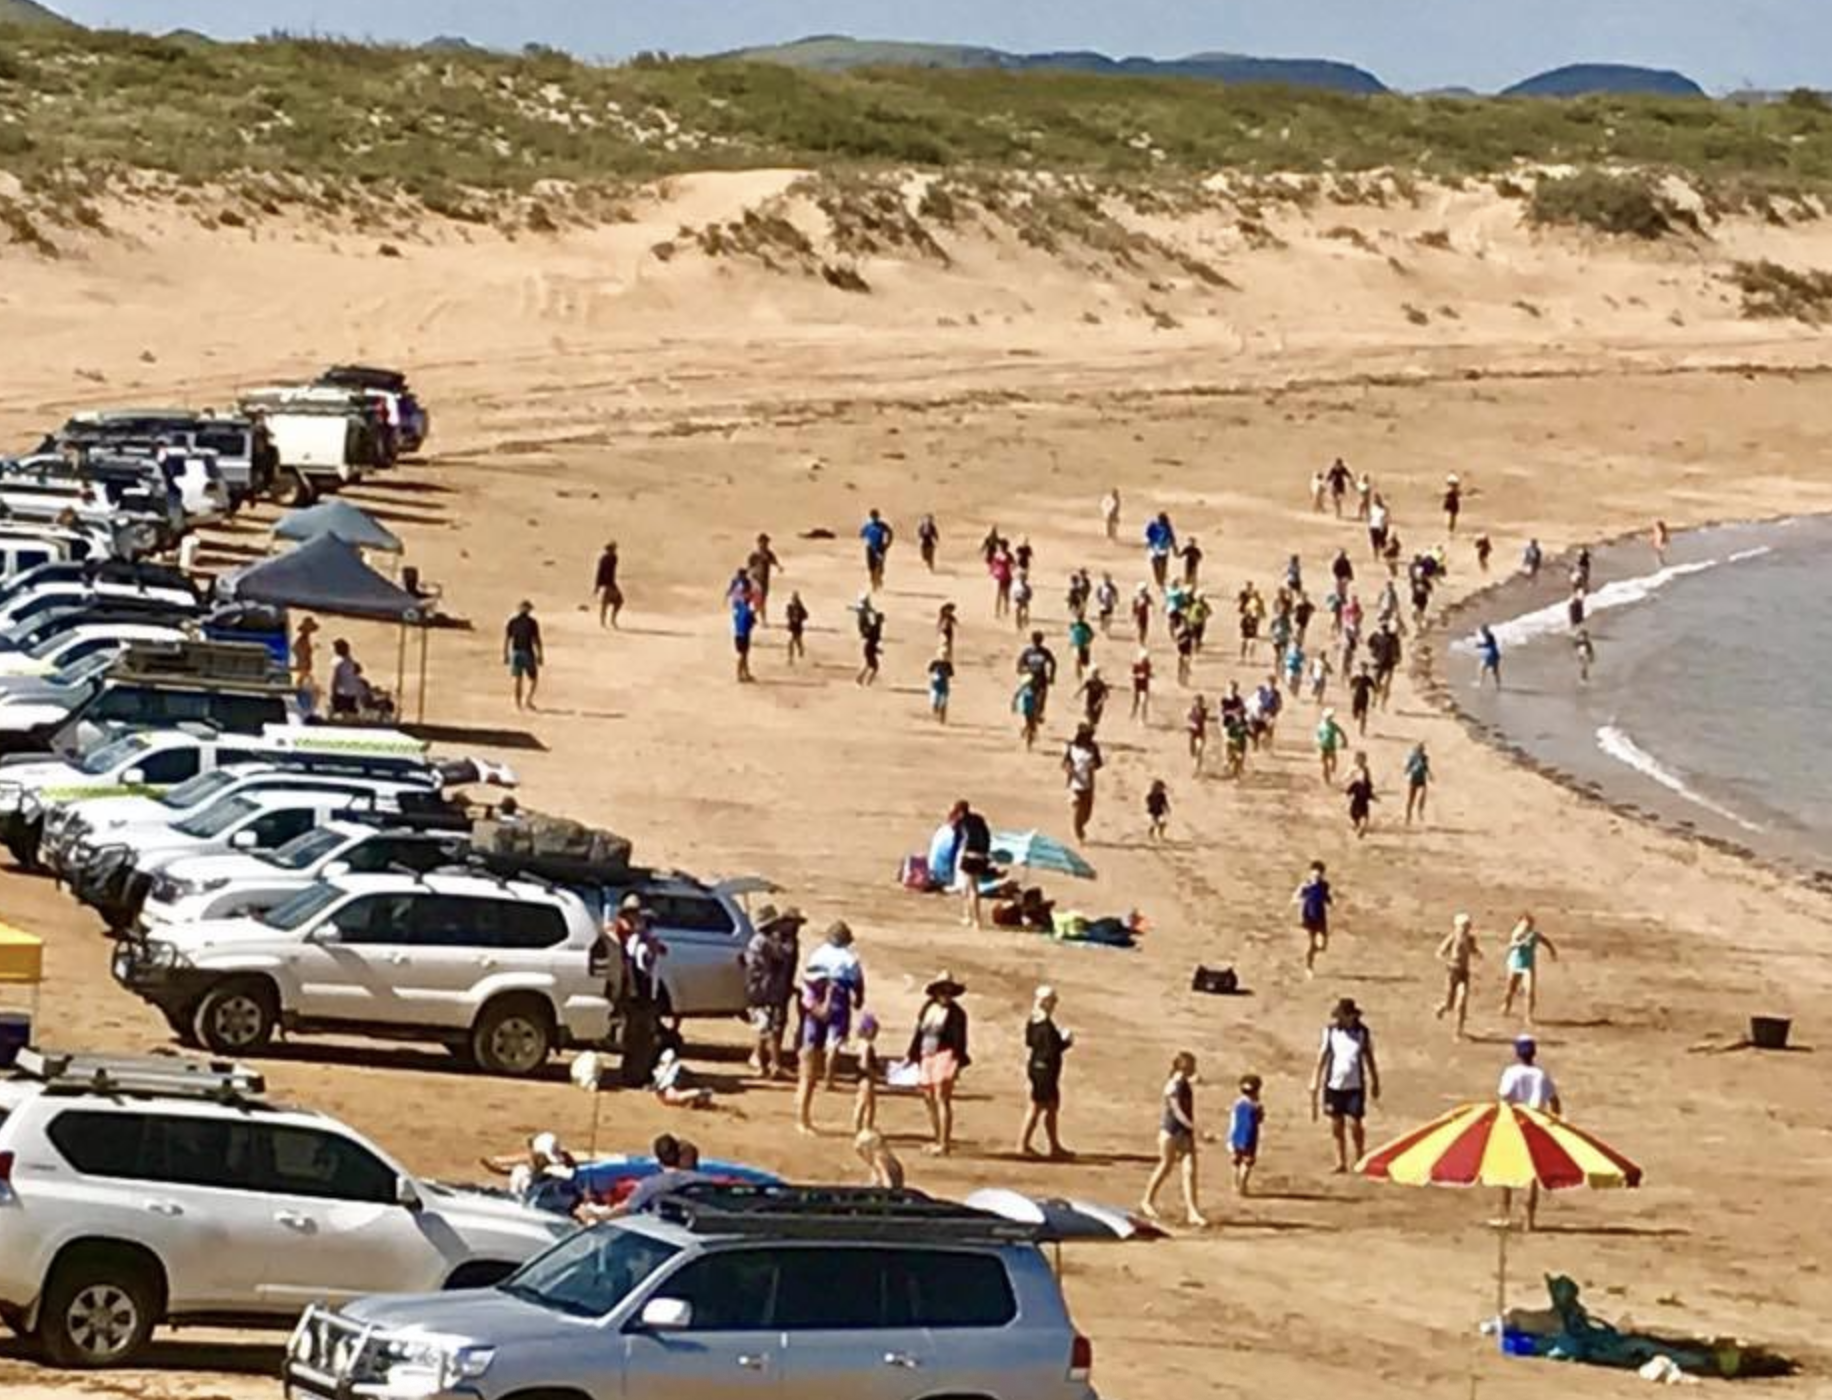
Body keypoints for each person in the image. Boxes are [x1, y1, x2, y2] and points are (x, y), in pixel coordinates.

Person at [1498, 1035, 1562, 1229]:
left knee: (1506, 1171)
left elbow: (1504, 1096)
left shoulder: (1511, 1072)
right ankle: (1529, 1220)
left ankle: (1505, 1215)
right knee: (1532, 1174)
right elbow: (1554, 1102)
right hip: (1536, 1124)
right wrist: (1554, 1122)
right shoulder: (1541, 1075)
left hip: (1514, 1122)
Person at [1310, 997, 1379, 1174]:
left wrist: (1375, 1081)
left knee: (1355, 1123)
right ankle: (1340, 1161)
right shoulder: (1331, 1032)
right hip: (1334, 1084)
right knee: (1336, 1124)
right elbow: (1323, 1057)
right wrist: (1315, 1080)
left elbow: (1368, 1058)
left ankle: (1359, 1157)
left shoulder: (1362, 1033)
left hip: (1355, 1085)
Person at [1141, 1051, 1207, 1228]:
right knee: (1166, 1166)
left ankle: (1192, 1211)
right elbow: (1177, 1112)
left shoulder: (1179, 1082)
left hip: (1182, 1133)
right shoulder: (1174, 1086)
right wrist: (1195, 1129)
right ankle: (1147, 1200)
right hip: (1172, 1132)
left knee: (1190, 1170)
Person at [909, 973, 970, 1156]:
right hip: (928, 1054)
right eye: (943, 991)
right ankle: (938, 1139)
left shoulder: (957, 1014)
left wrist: (957, 1063)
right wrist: (913, 1055)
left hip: (946, 1054)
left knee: (941, 1097)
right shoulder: (928, 1008)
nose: (946, 995)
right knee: (928, 1097)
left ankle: (944, 1143)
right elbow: (919, 1033)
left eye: (949, 991)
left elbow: (960, 1041)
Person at [743, 905, 804, 1079]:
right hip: (766, 990)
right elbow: (782, 956)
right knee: (771, 1027)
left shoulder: (764, 940)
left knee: (767, 1026)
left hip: (769, 988)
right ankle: (773, 1063)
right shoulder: (767, 941)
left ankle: (760, 1060)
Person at [1018, 985, 1072, 1159]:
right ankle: (1023, 1144)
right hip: (1044, 1071)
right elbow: (1050, 1050)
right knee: (1037, 1107)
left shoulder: (1034, 1020)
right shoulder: (1044, 1024)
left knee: (1049, 1107)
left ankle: (1054, 1145)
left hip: (1038, 1067)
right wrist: (1065, 1042)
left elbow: (1030, 1042)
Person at [1500, 913, 1559, 1025]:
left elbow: (1545, 940)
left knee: (1529, 991)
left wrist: (1552, 951)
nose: (1527, 927)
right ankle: (1506, 1005)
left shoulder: (1534, 935)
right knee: (1510, 989)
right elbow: (1511, 945)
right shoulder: (1517, 933)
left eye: (1529, 924)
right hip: (1514, 965)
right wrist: (1522, 943)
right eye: (1525, 924)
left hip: (1528, 966)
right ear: (1520, 923)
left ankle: (1528, 1016)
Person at [1435, 912, 1480, 1040]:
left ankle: (1458, 1031)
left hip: (1464, 973)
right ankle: (1441, 1008)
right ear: (1457, 927)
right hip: (1452, 972)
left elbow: (1473, 949)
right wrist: (1446, 960)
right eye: (1463, 926)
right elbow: (1440, 951)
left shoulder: (1470, 939)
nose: (1465, 929)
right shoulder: (1452, 937)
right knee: (1449, 1004)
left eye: (1467, 926)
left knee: (1462, 1001)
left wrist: (1478, 954)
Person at [953, 800, 993, 929]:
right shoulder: (978, 819)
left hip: (969, 856)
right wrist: (986, 853)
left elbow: (957, 841)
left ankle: (976, 920)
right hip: (981, 856)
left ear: (959, 811)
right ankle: (968, 916)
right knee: (966, 887)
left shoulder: (960, 823)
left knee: (972, 889)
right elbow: (987, 836)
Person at [1063, 724, 1103, 841]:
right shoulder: (1071, 747)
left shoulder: (1094, 747)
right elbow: (1065, 762)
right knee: (1079, 807)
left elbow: (1099, 763)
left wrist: (1093, 765)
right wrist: (1069, 768)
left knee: (1087, 812)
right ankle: (1078, 831)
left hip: (1089, 783)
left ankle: (1080, 826)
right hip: (1075, 782)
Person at [1293, 860, 1332, 976]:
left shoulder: (1324, 885)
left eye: (1319, 875)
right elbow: (1296, 896)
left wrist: (1330, 902)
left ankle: (1312, 952)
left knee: (1323, 945)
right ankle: (1309, 967)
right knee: (1311, 943)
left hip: (1320, 916)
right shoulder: (1306, 885)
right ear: (1310, 873)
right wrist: (1299, 901)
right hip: (1308, 917)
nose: (1316, 877)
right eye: (1314, 874)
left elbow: (1327, 898)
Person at [504, 601, 545, 711]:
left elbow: (507, 639)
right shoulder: (532, 623)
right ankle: (528, 700)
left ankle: (518, 704)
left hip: (516, 652)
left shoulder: (512, 622)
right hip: (527, 652)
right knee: (533, 678)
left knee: (518, 679)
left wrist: (506, 654)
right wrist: (540, 654)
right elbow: (536, 640)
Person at [1229, 1074, 1265, 1196]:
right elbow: (1260, 1119)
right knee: (1247, 1162)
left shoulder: (1237, 1103)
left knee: (1236, 1161)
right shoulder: (1256, 1106)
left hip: (1236, 1136)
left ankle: (1235, 1184)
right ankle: (1243, 1185)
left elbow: (1233, 1119)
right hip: (1250, 1137)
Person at [853, 1012, 882, 1134]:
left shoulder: (859, 1044)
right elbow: (864, 1063)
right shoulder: (867, 1046)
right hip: (867, 1078)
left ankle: (859, 1127)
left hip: (861, 1078)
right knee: (868, 1105)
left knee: (861, 1103)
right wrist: (873, 1073)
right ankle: (866, 1127)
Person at [747, 533, 783, 623]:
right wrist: (748, 575)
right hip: (756, 580)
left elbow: (774, 561)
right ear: (759, 543)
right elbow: (749, 566)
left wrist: (778, 567)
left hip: (765, 580)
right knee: (759, 600)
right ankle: (761, 619)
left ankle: (753, 616)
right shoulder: (755, 554)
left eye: (766, 542)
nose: (765, 544)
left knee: (762, 600)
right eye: (763, 542)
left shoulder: (769, 553)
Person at [328, 638, 363, 720]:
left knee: (344, 716)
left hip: (347, 693)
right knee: (346, 716)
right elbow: (335, 679)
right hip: (347, 693)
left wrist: (333, 694)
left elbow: (335, 679)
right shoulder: (343, 660)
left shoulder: (342, 660)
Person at [860, 508, 894, 590]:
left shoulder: (882, 525)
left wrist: (888, 544)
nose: (874, 518)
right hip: (870, 548)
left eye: (875, 516)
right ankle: (873, 583)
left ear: (878, 517)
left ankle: (878, 579)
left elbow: (890, 533)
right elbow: (862, 534)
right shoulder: (868, 526)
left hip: (880, 548)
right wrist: (867, 540)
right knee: (871, 567)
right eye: (872, 516)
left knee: (879, 565)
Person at [1345, 753, 1376, 839]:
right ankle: (1360, 826)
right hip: (1359, 800)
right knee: (1358, 815)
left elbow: (1369, 791)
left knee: (1361, 815)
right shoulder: (1355, 773)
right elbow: (1348, 780)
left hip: (1359, 801)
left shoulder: (1362, 781)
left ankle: (1361, 827)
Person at [594, 541, 624, 628]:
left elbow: (600, 573)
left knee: (618, 602)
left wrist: (597, 586)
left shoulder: (610, 558)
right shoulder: (609, 558)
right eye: (614, 548)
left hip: (610, 584)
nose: (615, 550)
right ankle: (607, 622)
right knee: (609, 603)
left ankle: (608, 621)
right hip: (607, 585)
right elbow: (600, 573)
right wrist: (598, 586)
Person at [856, 596, 884, 686]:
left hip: (869, 648)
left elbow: (871, 638)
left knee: (869, 665)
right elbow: (872, 640)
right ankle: (867, 682)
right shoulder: (877, 628)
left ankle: (862, 679)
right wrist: (877, 650)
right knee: (874, 667)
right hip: (869, 648)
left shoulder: (875, 627)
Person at [1314, 707, 1347, 785]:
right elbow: (1317, 735)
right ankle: (1326, 778)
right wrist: (1317, 742)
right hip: (1323, 745)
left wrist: (1344, 741)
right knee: (1324, 764)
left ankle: (1331, 770)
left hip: (1331, 746)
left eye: (1330, 717)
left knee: (1334, 760)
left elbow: (1341, 732)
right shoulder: (1321, 725)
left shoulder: (1333, 725)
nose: (1328, 719)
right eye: (1327, 717)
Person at [731, 589, 757, 683]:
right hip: (744, 635)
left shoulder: (738, 608)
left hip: (737, 634)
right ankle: (739, 674)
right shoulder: (748, 612)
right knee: (743, 655)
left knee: (744, 655)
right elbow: (753, 623)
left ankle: (746, 673)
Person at [1404, 742, 1431, 824]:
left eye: (1422, 750)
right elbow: (1407, 768)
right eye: (1420, 750)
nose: (1421, 751)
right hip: (1413, 779)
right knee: (1411, 798)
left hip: (1421, 779)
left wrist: (1430, 775)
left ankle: (1420, 810)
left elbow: (1426, 767)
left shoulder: (1425, 758)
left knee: (1423, 793)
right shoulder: (1412, 757)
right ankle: (1408, 816)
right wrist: (1409, 771)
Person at [1348, 662, 1376, 737]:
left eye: (1364, 669)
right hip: (1356, 698)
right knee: (1354, 715)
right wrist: (1351, 694)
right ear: (1360, 669)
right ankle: (1356, 727)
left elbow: (1374, 690)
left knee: (1363, 716)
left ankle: (1362, 731)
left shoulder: (1368, 679)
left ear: (1366, 670)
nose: (1363, 670)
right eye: (1362, 668)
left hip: (1364, 698)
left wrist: (1374, 701)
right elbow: (1350, 686)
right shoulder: (1356, 678)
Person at [291, 615, 319, 690]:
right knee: (302, 681)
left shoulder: (304, 638)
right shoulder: (303, 639)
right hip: (304, 663)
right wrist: (302, 658)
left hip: (304, 663)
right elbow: (296, 649)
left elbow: (295, 649)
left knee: (305, 680)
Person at [928, 649, 954, 724]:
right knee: (934, 701)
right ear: (938, 655)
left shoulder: (948, 664)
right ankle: (935, 711)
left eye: (945, 655)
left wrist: (945, 674)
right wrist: (934, 675)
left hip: (944, 686)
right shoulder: (935, 663)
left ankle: (942, 719)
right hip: (935, 685)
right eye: (942, 654)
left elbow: (951, 674)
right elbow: (930, 670)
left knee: (943, 702)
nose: (944, 656)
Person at [1068, 613, 1095, 679]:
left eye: (1080, 618)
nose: (1078, 619)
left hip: (1083, 645)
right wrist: (1071, 642)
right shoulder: (1072, 625)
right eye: (1077, 618)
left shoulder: (1085, 625)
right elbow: (1071, 634)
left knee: (1085, 663)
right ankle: (1079, 676)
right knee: (1077, 660)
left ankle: (1089, 675)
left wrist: (1088, 642)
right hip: (1076, 646)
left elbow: (1092, 634)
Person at [784, 590, 808, 664]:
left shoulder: (801, 607)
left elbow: (806, 615)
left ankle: (800, 649)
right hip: (792, 627)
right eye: (793, 599)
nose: (794, 600)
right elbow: (787, 615)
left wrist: (799, 618)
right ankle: (790, 658)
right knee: (790, 642)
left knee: (797, 641)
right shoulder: (789, 607)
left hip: (798, 627)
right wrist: (791, 617)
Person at [1475, 624, 1502, 690]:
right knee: (1495, 671)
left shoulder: (1488, 635)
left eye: (1482, 630)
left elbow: (1488, 644)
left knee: (1482, 668)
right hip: (1495, 654)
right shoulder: (1490, 635)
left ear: (1485, 630)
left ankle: (1480, 683)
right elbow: (1492, 644)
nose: (1481, 632)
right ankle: (1498, 685)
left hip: (1491, 655)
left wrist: (1480, 645)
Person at [1130, 647, 1153, 721]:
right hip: (1137, 686)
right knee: (1136, 702)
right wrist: (1138, 676)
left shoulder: (1148, 665)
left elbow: (1149, 674)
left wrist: (1151, 675)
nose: (1145, 660)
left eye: (1146, 658)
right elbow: (1131, 675)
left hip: (1144, 687)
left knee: (1143, 703)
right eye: (1144, 658)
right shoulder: (1136, 665)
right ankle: (1133, 713)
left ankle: (1143, 719)